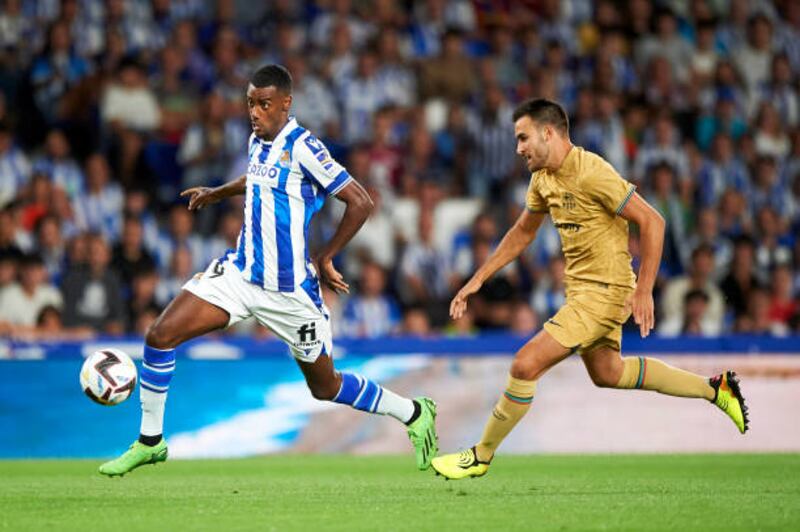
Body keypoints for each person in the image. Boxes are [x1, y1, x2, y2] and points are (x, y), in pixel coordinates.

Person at [98, 65, 437, 477]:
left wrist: (326, 257)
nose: (254, 113)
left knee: (325, 387)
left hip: (290, 291)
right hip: (240, 276)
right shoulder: (258, 140)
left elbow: (361, 202)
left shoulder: (305, 147)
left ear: (286, 104)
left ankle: (414, 412)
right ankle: (151, 441)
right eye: (250, 104)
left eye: (263, 105)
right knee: (160, 335)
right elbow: (258, 178)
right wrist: (217, 192)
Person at [432, 99, 748, 480]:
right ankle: (716, 389)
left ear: (548, 133)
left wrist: (644, 289)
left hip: (605, 292)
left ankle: (480, 455)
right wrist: (478, 279)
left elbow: (653, 221)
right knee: (608, 373)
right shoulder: (542, 179)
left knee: (524, 364)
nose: (518, 148)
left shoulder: (592, 171)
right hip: (582, 292)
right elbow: (522, 233)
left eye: (523, 138)